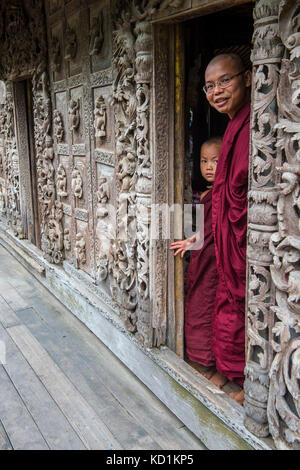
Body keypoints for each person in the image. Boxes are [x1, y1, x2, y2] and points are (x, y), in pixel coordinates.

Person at [203, 53, 251, 404]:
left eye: (225, 81)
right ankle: (234, 374)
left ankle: (252, 384)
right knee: (227, 307)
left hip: (248, 243)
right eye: (209, 86)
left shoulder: (254, 124)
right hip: (227, 244)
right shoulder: (233, 125)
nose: (216, 91)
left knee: (250, 309)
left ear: (247, 78)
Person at [170, 137, 222, 379]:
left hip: (215, 262)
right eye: (204, 161)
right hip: (204, 257)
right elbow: (204, 229)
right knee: (196, 304)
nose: (208, 166)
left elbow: (219, 228)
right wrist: (191, 240)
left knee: (206, 308)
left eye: (215, 160)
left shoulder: (225, 192)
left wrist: (195, 241)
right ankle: (199, 358)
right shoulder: (206, 194)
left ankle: (207, 361)